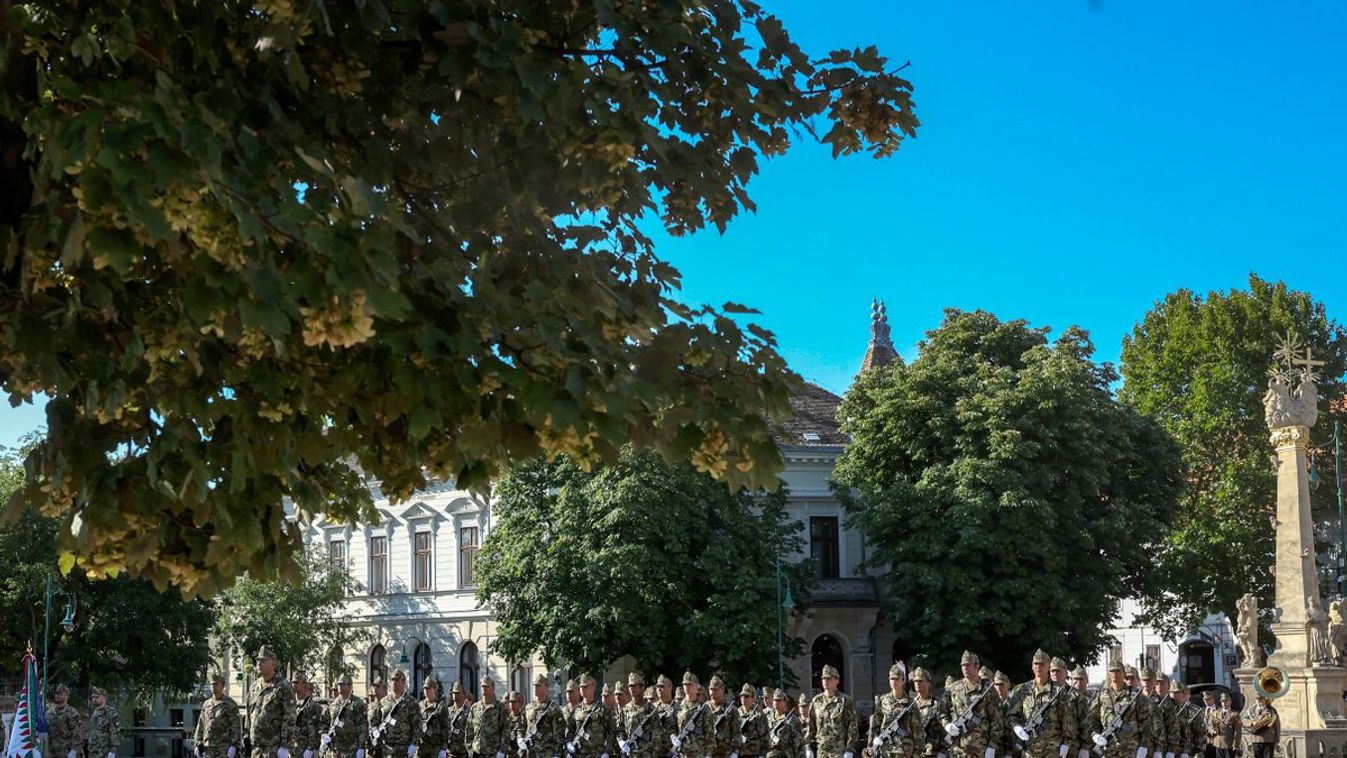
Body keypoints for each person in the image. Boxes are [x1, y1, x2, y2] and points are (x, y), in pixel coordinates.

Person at [1007, 650, 1075, 758]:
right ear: (1032, 666)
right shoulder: (1022, 690)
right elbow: (1012, 715)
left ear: (1048, 666)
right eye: (1036, 663)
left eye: (1042, 664)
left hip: (1052, 750)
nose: (1038, 666)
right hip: (1029, 751)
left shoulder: (1059, 691)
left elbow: (1068, 720)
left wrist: (1066, 744)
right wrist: (1017, 727)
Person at [941, 652, 1001, 758]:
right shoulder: (953, 688)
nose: (965, 668)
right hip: (958, 750)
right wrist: (947, 725)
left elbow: (997, 720)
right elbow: (941, 710)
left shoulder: (987, 689)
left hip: (980, 749)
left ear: (977, 666)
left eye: (968, 665)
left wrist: (992, 747)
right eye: (963, 665)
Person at [1088, 660, 1141, 758]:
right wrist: (1095, 734)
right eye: (1112, 671)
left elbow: (1145, 722)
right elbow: (1091, 718)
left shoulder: (1134, 695)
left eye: (1118, 671)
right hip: (1108, 749)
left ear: (1123, 673)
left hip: (1129, 749)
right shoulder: (1102, 695)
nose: (1114, 674)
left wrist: (1144, 746)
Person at [250, 647, 297, 758]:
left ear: (273, 664)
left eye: (263, 661)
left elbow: (290, 717)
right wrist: (247, 736)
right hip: (256, 749)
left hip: (273, 748)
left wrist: (285, 745)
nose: (259, 663)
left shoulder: (283, 686)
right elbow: (249, 714)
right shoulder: (254, 687)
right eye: (258, 660)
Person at [869, 664, 920, 758]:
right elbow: (876, 724)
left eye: (897, 679)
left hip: (905, 751)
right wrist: (875, 739)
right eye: (891, 679)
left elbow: (917, 730)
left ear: (903, 680)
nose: (894, 682)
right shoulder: (882, 700)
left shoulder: (910, 703)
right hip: (885, 750)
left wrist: (917, 753)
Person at [806, 665, 857, 758]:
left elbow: (852, 727)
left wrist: (850, 749)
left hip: (839, 750)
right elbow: (810, 725)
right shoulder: (816, 701)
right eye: (823, 679)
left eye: (829, 678)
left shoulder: (845, 701)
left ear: (836, 681)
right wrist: (808, 747)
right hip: (822, 750)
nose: (825, 681)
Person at [374, 669, 423, 758]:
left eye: (397, 680)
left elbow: (417, 726)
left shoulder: (411, 702)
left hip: (404, 748)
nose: (394, 683)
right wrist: (375, 732)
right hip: (386, 748)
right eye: (392, 680)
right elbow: (376, 721)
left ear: (404, 683)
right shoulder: (384, 701)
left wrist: (414, 744)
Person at [567, 673, 615, 758]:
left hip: (597, 754)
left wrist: (607, 752)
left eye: (585, 686)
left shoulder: (602, 709)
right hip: (578, 754)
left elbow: (611, 733)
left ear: (593, 687)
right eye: (581, 687)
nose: (582, 689)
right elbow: (570, 730)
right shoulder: (576, 709)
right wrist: (569, 743)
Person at [196, 673, 244, 758]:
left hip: (223, 748)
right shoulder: (207, 704)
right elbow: (201, 724)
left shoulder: (230, 704)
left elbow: (235, 726)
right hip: (208, 748)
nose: (213, 686)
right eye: (211, 684)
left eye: (216, 684)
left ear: (223, 686)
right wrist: (198, 742)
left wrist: (234, 745)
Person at [323, 673, 369, 758]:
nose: (340, 687)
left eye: (343, 684)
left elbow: (363, 726)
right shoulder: (332, 704)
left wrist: (361, 747)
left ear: (350, 686)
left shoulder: (357, 703)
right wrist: (324, 735)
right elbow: (324, 722)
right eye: (339, 684)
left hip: (352, 748)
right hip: (336, 749)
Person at [520, 673, 565, 758]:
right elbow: (522, 725)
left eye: (538, 686)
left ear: (546, 687)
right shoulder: (528, 707)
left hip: (546, 753)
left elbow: (559, 733)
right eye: (534, 686)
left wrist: (558, 754)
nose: (535, 688)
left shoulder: (553, 708)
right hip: (530, 752)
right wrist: (520, 738)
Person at [468, 676, 512, 758]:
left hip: (493, 753)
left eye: (487, 686)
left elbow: (506, 731)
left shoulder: (500, 707)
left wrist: (502, 751)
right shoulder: (475, 707)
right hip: (476, 753)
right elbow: (469, 729)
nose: (484, 688)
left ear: (493, 688)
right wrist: (469, 748)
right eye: (482, 686)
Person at [672, 672, 712, 758]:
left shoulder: (704, 709)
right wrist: (673, 738)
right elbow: (672, 728)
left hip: (699, 754)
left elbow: (710, 734)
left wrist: (708, 754)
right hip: (682, 754)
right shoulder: (677, 707)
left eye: (690, 684)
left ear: (697, 685)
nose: (687, 687)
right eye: (685, 684)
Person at [296, 672, 330, 758]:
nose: (308, 691)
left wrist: (313, 748)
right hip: (297, 745)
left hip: (307, 745)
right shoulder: (297, 704)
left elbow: (315, 729)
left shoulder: (313, 706)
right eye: (307, 689)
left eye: (310, 689)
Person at [708, 675, 742, 758]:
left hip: (726, 753)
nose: (712, 692)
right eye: (710, 689)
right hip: (708, 752)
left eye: (715, 689)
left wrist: (735, 752)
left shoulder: (731, 710)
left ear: (722, 690)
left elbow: (737, 733)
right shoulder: (704, 708)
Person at [47, 683, 85, 758]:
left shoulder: (72, 713)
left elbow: (77, 734)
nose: (57, 695)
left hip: (67, 752)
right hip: (52, 753)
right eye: (56, 693)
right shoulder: (49, 712)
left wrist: (74, 751)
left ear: (67, 696)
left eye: (60, 693)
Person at [88, 686, 125, 758]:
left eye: (97, 697)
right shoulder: (93, 712)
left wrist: (113, 751)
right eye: (93, 697)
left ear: (104, 697)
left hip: (104, 751)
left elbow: (115, 732)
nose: (94, 699)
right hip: (93, 750)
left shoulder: (110, 712)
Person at [766, 690, 803, 758]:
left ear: (785, 702)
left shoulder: (792, 719)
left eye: (779, 700)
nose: (776, 702)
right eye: (775, 700)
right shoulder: (767, 716)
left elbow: (799, 743)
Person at [422, 677, 452, 758]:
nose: (426, 690)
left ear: (434, 689)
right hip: (421, 748)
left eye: (428, 688)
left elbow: (445, 728)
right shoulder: (419, 705)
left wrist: (444, 748)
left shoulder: (441, 706)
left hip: (435, 748)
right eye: (425, 688)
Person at [739, 684, 768, 758]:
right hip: (739, 753)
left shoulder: (760, 714)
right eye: (742, 696)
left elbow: (765, 738)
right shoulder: (736, 712)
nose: (743, 698)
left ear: (753, 698)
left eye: (746, 696)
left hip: (753, 754)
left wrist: (762, 755)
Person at [1206, 694, 1239, 758]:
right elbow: (1210, 725)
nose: (1224, 703)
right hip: (1218, 743)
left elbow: (1238, 732)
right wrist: (1213, 731)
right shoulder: (1215, 713)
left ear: (1230, 702)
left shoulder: (1235, 715)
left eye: (1226, 701)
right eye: (1222, 701)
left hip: (1229, 744)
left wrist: (1236, 744)